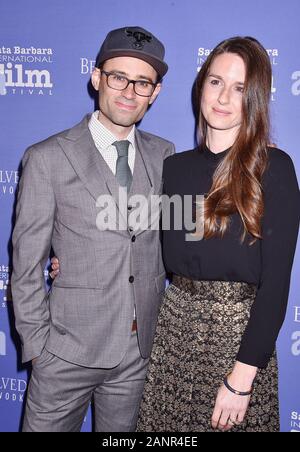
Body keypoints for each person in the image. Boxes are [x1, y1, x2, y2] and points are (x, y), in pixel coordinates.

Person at [11, 26, 175, 432]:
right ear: (97, 77)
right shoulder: (47, 158)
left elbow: (176, 235)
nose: (129, 91)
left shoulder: (166, 155)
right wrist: (39, 350)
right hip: (64, 353)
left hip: (138, 355)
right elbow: (26, 265)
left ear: (155, 93)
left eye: (142, 83)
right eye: (119, 77)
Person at [136, 36, 300, 432]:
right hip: (173, 331)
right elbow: (147, 250)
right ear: (200, 87)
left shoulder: (273, 168)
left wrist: (242, 379)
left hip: (237, 339)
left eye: (240, 87)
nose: (223, 96)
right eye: (215, 82)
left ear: (255, 97)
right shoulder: (173, 168)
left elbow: (276, 287)